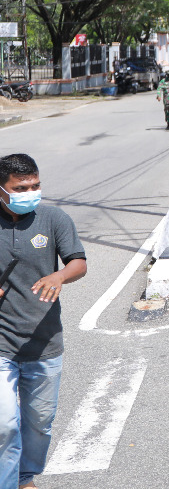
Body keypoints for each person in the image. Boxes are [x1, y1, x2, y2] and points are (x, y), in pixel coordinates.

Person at [0, 153, 87, 489]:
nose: (30, 192)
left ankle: (25, 476)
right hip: (2, 344)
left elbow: (78, 262)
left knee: (39, 423)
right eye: (20, 188)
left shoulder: (53, 218)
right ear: (2, 190)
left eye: (35, 185)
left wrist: (60, 276)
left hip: (45, 342)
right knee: (5, 425)